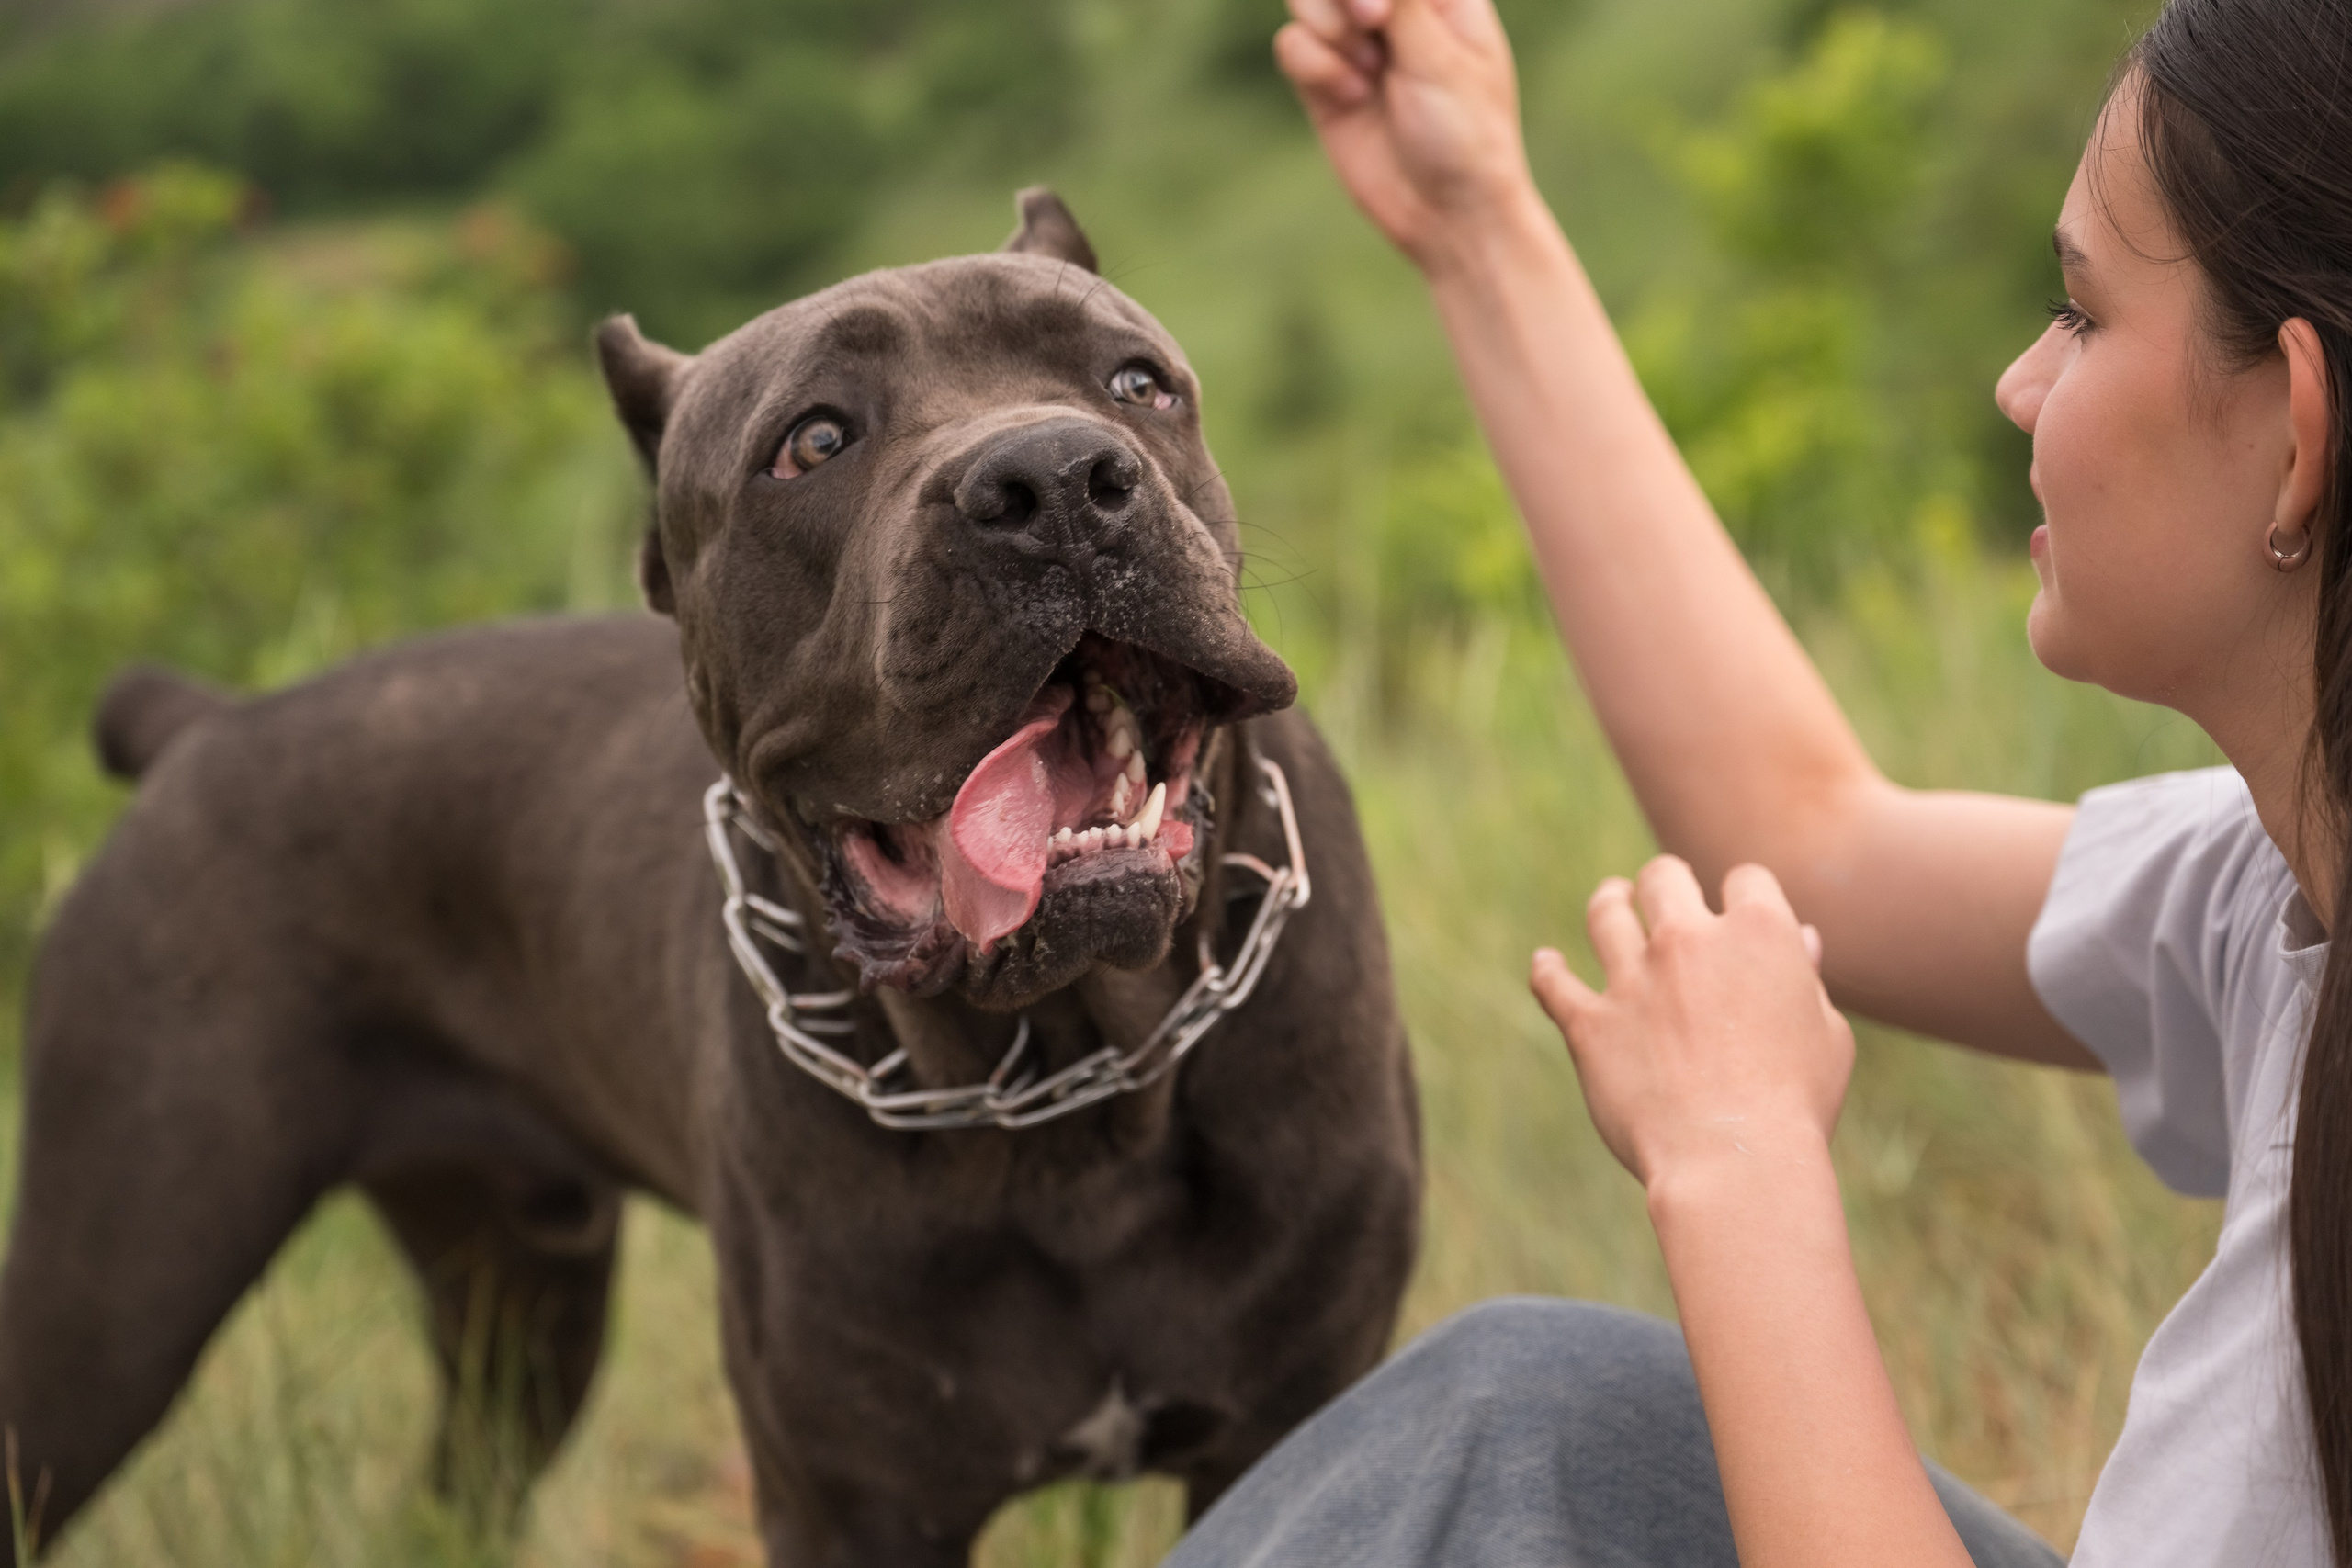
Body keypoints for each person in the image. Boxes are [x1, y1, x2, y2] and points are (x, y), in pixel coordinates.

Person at [1156, 0, 2352, 1563]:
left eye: (2079, 313)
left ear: (2295, 430)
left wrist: (1740, 1169)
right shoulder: (2278, 884)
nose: (2016, 382)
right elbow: (1812, 842)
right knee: (1535, 1409)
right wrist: (1477, 222)